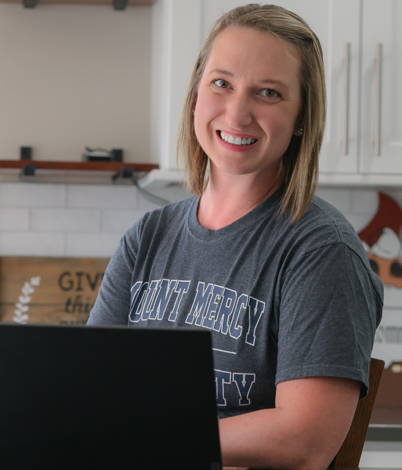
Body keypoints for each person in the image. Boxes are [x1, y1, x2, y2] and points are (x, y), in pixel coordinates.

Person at [87, 4, 383, 469]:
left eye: (269, 93)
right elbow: (90, 390)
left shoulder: (321, 251)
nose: (238, 112)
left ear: (303, 117)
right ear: (195, 96)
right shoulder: (147, 238)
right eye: (221, 83)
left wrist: (152, 438)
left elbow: (304, 439)